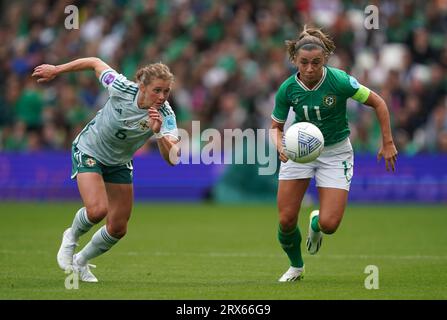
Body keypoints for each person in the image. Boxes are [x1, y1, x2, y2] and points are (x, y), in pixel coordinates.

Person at [32, 57, 179, 282]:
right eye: (156, 90)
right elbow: (94, 62)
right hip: (90, 149)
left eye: (166, 92)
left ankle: (80, 262)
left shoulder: (166, 115)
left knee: (118, 227)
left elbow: (173, 159)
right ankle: (70, 237)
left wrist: (158, 133)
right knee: (97, 210)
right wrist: (56, 70)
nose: (161, 97)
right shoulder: (120, 87)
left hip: (119, 162)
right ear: (142, 86)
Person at [270, 26, 398, 282]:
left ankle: (316, 223)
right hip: (299, 152)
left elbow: (378, 102)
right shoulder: (287, 89)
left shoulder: (340, 81)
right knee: (285, 220)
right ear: (294, 60)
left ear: (325, 58)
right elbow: (276, 127)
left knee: (330, 225)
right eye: (304, 62)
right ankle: (296, 266)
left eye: (315, 62)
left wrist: (387, 141)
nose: (309, 69)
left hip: (336, 152)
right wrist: (280, 146)